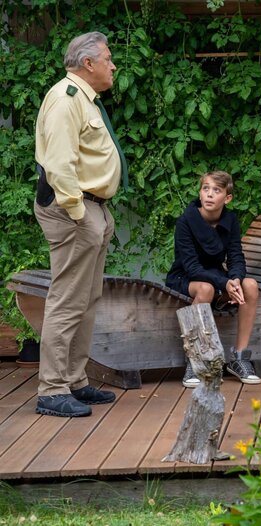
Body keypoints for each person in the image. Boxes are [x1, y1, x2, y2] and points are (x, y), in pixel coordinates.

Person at [33, 32, 127, 417]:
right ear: (88, 64)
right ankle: (51, 389)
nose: (113, 65)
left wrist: (97, 213)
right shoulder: (64, 99)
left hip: (92, 209)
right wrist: (78, 214)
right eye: (108, 58)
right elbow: (58, 165)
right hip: (74, 210)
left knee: (86, 301)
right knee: (68, 300)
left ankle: (74, 381)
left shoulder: (84, 99)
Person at [166, 170, 261, 387]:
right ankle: (195, 360)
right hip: (186, 277)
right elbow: (191, 267)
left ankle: (239, 358)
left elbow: (236, 256)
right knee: (206, 289)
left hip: (217, 277)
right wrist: (223, 283)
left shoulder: (230, 220)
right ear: (199, 194)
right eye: (205, 189)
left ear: (227, 198)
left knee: (250, 285)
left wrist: (235, 279)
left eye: (216, 190)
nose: (209, 194)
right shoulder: (185, 222)